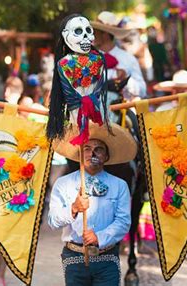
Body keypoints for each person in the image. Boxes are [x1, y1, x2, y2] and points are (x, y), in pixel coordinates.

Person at [48, 123, 136, 286]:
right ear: (79, 153)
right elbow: (53, 221)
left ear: (106, 156)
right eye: (87, 148)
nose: (92, 153)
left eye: (98, 149)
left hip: (107, 258)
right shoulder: (63, 184)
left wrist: (99, 237)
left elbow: (123, 222)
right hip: (74, 258)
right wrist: (73, 209)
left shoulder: (119, 185)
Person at [91, 11, 147, 104]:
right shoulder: (90, 59)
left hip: (123, 113)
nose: (92, 35)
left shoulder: (128, 58)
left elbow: (142, 90)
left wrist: (125, 80)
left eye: (95, 31)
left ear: (105, 34)